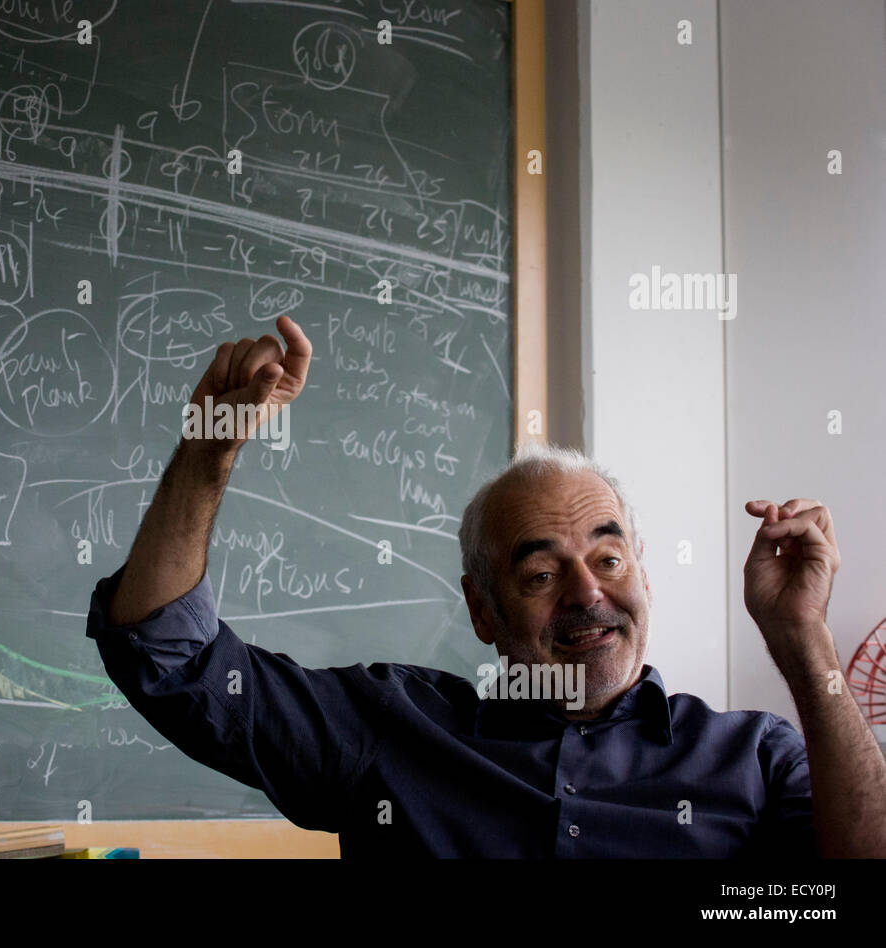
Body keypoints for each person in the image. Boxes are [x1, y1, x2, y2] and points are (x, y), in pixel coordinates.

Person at [84, 315, 886, 857]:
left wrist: (802, 636)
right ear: (481, 609)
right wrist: (208, 451)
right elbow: (168, 656)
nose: (585, 593)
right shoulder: (388, 729)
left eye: (608, 560)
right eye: (539, 573)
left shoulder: (754, 758)